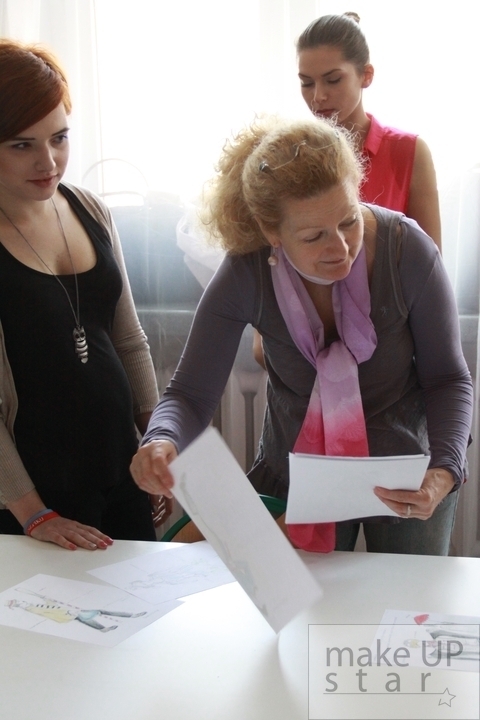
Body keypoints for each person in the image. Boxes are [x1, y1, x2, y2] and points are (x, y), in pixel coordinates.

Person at [130, 115, 472, 556]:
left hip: (409, 473)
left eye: (349, 221)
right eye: (313, 236)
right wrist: (161, 439)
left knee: (408, 598)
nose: (341, 248)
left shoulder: (408, 251)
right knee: (309, 600)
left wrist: (444, 471)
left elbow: (447, 378)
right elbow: (191, 394)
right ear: (271, 232)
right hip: (297, 472)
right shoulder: (246, 272)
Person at [0, 39, 166, 550]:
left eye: (60, 138)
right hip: (35, 498)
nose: (48, 161)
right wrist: (34, 515)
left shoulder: (90, 208)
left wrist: (157, 444)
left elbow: (129, 341)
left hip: (121, 471)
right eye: (22, 145)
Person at [296, 12, 441, 249]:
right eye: (307, 83)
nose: (318, 96)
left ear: (366, 75)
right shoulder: (294, 155)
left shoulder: (409, 152)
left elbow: (430, 261)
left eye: (333, 80)